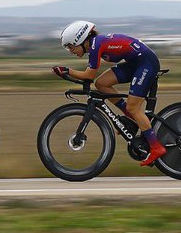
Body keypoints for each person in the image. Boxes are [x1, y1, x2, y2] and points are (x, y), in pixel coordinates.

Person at [52, 20, 166, 166]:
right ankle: (131, 118)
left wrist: (67, 71)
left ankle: (156, 147)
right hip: (135, 63)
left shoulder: (95, 45)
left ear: (80, 39)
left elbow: (88, 76)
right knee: (101, 83)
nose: (71, 51)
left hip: (146, 63)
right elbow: (93, 80)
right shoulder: (95, 44)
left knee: (133, 107)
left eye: (71, 46)